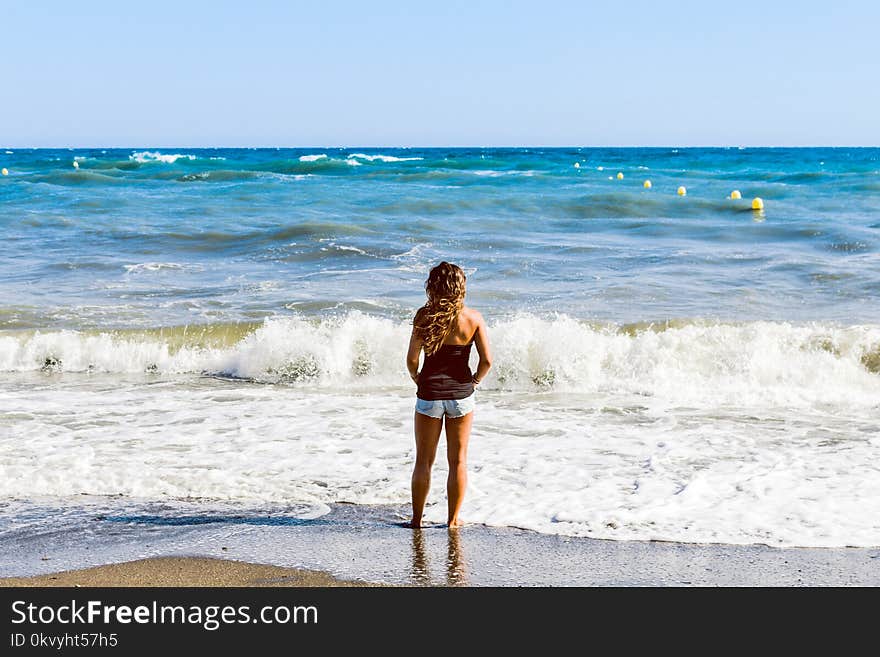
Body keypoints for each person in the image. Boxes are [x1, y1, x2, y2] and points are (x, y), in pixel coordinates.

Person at [405, 262, 492, 528]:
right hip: (461, 396)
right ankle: (453, 520)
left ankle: (417, 520)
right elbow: (487, 361)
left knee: (424, 460)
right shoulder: (473, 318)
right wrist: (474, 382)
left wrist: (419, 378)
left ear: (433, 286)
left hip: (429, 394)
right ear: (461, 287)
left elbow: (411, 359)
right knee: (458, 461)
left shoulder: (424, 316)